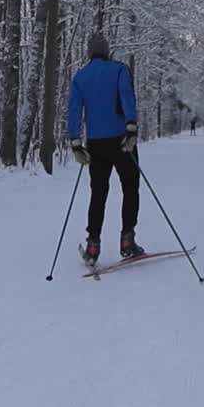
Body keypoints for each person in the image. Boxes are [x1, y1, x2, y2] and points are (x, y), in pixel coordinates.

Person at [67, 33, 144, 265]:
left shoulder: (80, 77)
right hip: (121, 141)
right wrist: (131, 128)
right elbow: (127, 97)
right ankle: (127, 240)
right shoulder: (119, 70)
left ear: (89, 53)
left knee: (98, 192)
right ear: (107, 51)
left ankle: (93, 244)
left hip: (96, 144)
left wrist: (75, 143)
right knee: (130, 186)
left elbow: (73, 110)